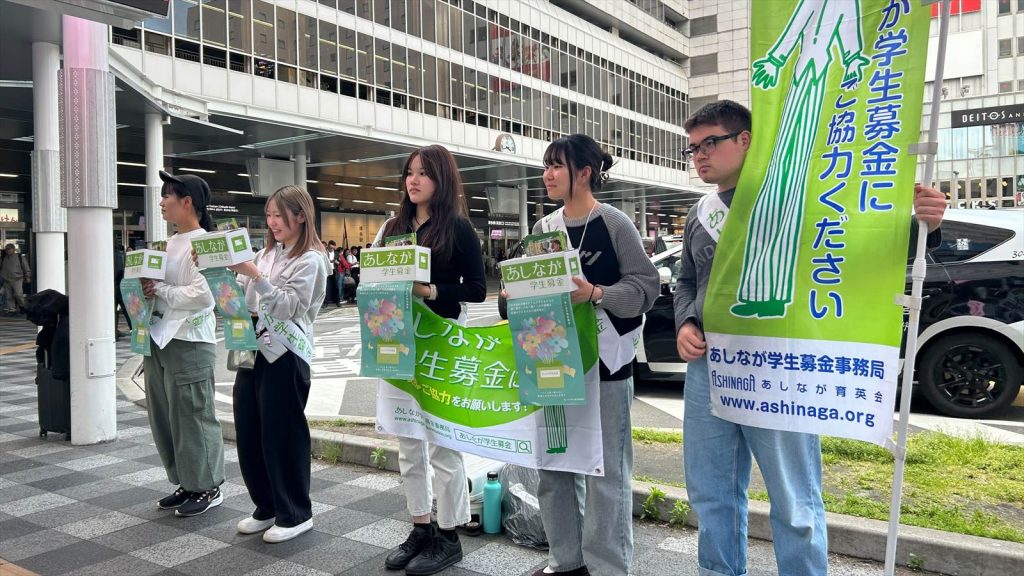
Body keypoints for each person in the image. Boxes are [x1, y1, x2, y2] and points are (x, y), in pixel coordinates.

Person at [673, 101, 947, 576]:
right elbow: (686, 280)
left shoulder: (796, 199)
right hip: (708, 367)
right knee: (710, 491)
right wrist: (685, 322)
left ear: (745, 140)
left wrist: (925, 225)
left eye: (710, 143)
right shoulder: (700, 212)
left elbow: (857, 248)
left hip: (777, 366)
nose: (699, 155)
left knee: (794, 499)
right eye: (693, 148)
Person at [531, 135, 660, 576]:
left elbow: (646, 287)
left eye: (556, 166)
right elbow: (530, 290)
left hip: (607, 363)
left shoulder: (614, 223)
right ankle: (565, 562)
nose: (547, 174)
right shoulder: (544, 229)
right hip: (552, 363)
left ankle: (608, 568)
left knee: (606, 473)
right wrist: (514, 296)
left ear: (584, 173)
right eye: (546, 166)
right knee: (554, 467)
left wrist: (596, 293)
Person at [377, 145, 486, 576]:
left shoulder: (457, 227)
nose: (414, 180)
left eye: (423, 173)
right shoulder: (393, 227)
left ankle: (450, 533)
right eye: (409, 173)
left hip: (441, 341)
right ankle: (420, 526)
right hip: (399, 340)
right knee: (407, 439)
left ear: (442, 179)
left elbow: (477, 289)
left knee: (443, 441)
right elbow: (376, 277)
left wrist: (430, 291)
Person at [230, 185, 327, 543]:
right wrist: (223, 273)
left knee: (282, 431)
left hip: (287, 353)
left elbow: (290, 307)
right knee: (249, 427)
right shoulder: (265, 253)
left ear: (300, 216)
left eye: (279, 215)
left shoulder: (311, 259)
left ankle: (295, 512)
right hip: (253, 347)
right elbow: (242, 298)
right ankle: (267, 505)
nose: (272, 222)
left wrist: (256, 277)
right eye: (269, 215)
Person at [141, 171, 224, 517]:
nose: (161, 202)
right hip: (159, 338)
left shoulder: (206, 243)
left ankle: (208, 486)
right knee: (165, 416)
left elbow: (203, 296)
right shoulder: (167, 244)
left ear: (187, 202)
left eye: (167, 196)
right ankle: (187, 482)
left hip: (190, 340)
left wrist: (159, 289)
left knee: (193, 415)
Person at [1, 243, 31, 314]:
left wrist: (28, 276)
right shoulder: (3, 258)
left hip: (17, 279)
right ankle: (11, 308)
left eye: (9, 249)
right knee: (8, 296)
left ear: (13, 249)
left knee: (18, 294)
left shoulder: (20, 257)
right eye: (7, 249)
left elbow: (26, 267)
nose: (8, 250)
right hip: (6, 280)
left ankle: (22, 306)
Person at [114, 243, 131, 339]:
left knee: (114, 310)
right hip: (119, 285)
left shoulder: (111, 254)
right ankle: (133, 330)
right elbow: (120, 271)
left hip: (114, 285)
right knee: (127, 309)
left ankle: (114, 332)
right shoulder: (117, 254)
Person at [325, 240, 340, 306]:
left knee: (336, 286)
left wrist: (337, 262)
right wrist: (330, 261)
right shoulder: (324, 252)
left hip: (334, 271)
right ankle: (326, 302)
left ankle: (337, 301)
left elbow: (339, 262)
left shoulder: (336, 253)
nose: (331, 249)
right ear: (328, 246)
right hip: (326, 271)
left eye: (333, 248)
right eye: (330, 248)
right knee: (326, 287)